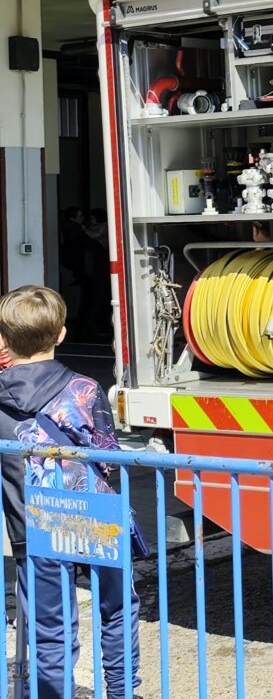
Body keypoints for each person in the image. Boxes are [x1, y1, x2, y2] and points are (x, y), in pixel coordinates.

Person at [0, 286, 141, 698]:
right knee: (117, 611)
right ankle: (121, 692)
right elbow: (109, 458)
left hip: (33, 526)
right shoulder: (84, 389)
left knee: (51, 630)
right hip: (94, 516)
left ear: (5, 340)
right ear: (61, 334)